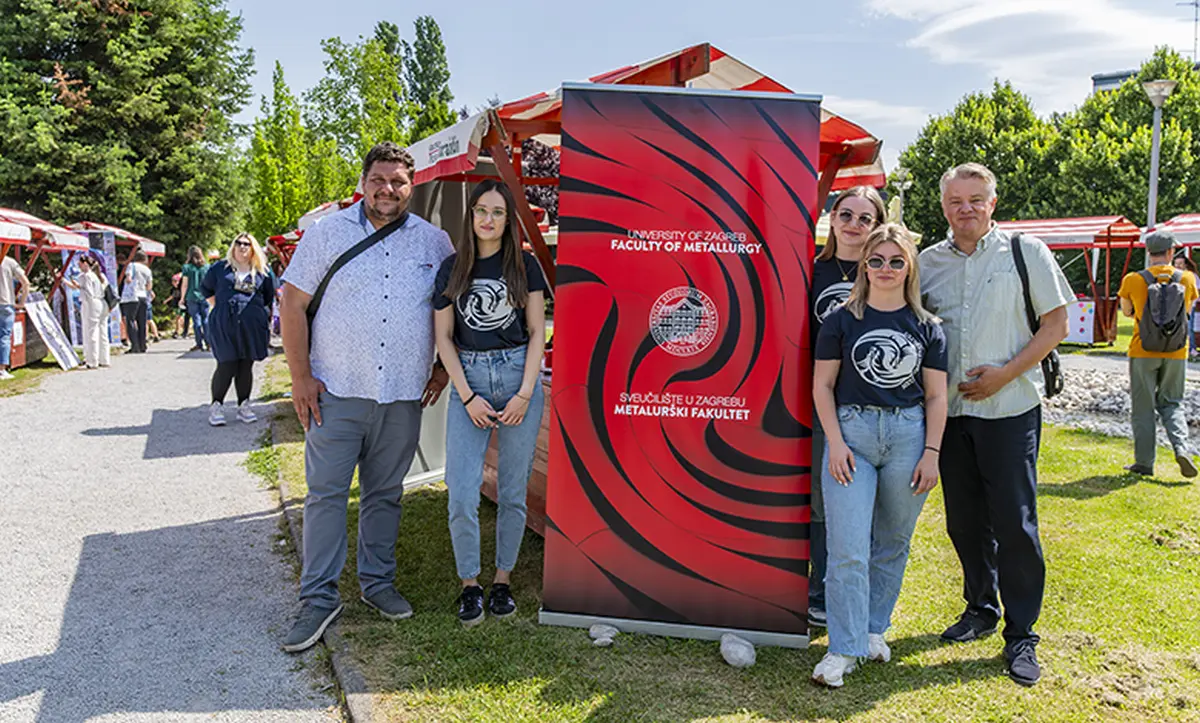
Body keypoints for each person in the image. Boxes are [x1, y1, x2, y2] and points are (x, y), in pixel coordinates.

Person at [278, 141, 453, 653]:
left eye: (398, 181)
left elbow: (450, 307)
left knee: (385, 494)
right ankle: (318, 597)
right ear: (363, 181)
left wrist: (442, 366)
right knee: (326, 495)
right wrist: (300, 376)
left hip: (400, 394)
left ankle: (377, 584)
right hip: (335, 390)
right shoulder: (326, 234)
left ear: (411, 186)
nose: (387, 189)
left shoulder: (434, 243)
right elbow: (292, 304)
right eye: (379, 179)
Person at [919, 162, 1072, 687]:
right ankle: (980, 608)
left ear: (993, 203)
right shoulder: (926, 263)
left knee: (1015, 524)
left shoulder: (1026, 254)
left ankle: (1022, 633)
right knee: (964, 522)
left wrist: (1004, 375)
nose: (966, 208)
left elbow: (1056, 324)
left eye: (976, 199)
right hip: (951, 416)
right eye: (956, 200)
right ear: (944, 207)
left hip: (1008, 412)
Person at [810, 224, 947, 688]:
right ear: (864, 265)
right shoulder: (841, 320)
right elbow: (822, 386)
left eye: (895, 261)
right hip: (852, 433)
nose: (885, 269)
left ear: (909, 266)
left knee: (892, 541)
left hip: (909, 436)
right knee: (847, 548)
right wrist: (836, 442)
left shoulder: (928, 326)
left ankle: (873, 629)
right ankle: (841, 649)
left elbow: (936, 398)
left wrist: (931, 453)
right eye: (876, 260)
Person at [433, 179, 548, 626]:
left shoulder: (526, 266)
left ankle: (502, 580)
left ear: (509, 219)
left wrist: (523, 392)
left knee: (513, 492)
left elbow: (539, 331)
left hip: (518, 375)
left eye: (498, 212)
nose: (487, 219)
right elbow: (443, 338)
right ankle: (470, 585)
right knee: (461, 492)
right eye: (481, 210)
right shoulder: (452, 268)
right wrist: (467, 396)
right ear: (471, 215)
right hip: (470, 378)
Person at [808, 186, 886, 630]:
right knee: (822, 501)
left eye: (865, 218)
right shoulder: (811, 267)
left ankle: (859, 594)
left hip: (869, 404)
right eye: (846, 214)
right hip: (819, 400)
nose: (854, 225)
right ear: (832, 218)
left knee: (863, 502)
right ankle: (818, 591)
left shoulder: (884, 268)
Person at [1119, 231, 1198, 477]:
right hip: (1176, 351)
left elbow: (1127, 311)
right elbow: (1186, 309)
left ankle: (1144, 463)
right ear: (1171, 252)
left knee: (1143, 407)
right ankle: (1181, 448)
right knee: (1173, 403)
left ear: (1148, 252)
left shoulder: (1133, 279)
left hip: (1142, 350)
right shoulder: (1186, 278)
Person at [200, 233, 276, 426]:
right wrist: (220, 306)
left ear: (253, 249)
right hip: (225, 323)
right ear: (233, 247)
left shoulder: (262, 271)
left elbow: (267, 296)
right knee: (227, 363)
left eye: (247, 244)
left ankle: (244, 405)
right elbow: (206, 288)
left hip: (251, 324)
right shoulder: (220, 268)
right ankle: (216, 405)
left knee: (245, 364)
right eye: (239, 243)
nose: (242, 247)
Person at [63, 254, 112, 369]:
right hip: (102, 303)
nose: (78, 266)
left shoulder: (85, 276)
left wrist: (80, 288)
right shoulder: (99, 276)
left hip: (91, 303)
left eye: (79, 263)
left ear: (85, 264)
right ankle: (104, 359)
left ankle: (92, 361)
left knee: (91, 333)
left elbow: (88, 292)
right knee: (102, 332)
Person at [0, 253, 31, 380]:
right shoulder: (9, 262)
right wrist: (22, 302)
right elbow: (26, 282)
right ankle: (1, 369)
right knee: (4, 337)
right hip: (6, 303)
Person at [120, 250, 153, 353]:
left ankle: (135, 346)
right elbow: (149, 286)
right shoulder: (147, 270)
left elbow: (128, 278)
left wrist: (128, 281)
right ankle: (143, 345)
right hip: (143, 296)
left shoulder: (131, 265)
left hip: (132, 297)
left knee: (130, 321)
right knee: (142, 321)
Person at [180, 245, 210, 352]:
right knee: (206, 319)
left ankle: (199, 343)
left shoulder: (187, 268)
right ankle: (209, 343)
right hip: (205, 296)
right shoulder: (206, 267)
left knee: (196, 320)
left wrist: (182, 298)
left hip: (192, 296)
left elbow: (185, 284)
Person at [1172, 253, 1198, 360]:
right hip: (1174, 306)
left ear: (1185, 265)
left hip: (1189, 306)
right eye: (1176, 263)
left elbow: (1196, 292)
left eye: (1180, 263)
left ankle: (1191, 349)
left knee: (1188, 328)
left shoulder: (1191, 276)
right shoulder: (1172, 275)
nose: (1177, 266)